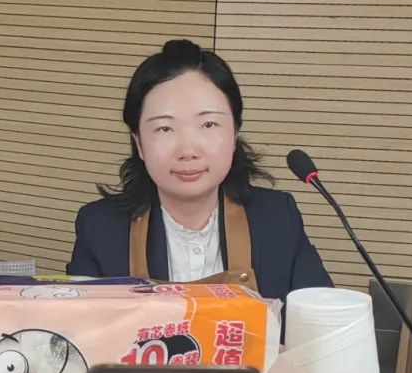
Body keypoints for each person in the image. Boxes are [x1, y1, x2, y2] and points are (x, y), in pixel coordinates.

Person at [67, 39, 331, 302]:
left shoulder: (277, 218)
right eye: (165, 128)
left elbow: (322, 318)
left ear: (234, 133)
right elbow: (77, 324)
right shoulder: (100, 228)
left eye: (208, 125)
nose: (188, 150)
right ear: (139, 143)